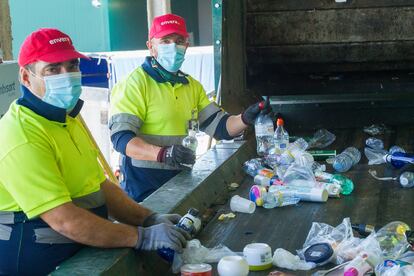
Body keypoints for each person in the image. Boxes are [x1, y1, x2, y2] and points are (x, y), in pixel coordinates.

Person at [0, 28, 190, 275]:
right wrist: (140, 236)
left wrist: (149, 218)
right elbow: (65, 220)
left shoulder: (66, 119)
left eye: (72, 66)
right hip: (37, 264)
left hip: (80, 252)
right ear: (26, 77)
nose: (66, 76)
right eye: (53, 70)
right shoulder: (21, 135)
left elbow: (99, 186)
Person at [110, 13, 271, 202]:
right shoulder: (134, 84)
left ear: (186, 46)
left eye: (179, 41)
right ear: (151, 47)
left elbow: (219, 127)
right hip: (144, 187)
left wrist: (245, 118)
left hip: (180, 182)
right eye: (165, 40)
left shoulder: (191, 86)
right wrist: (163, 154)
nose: (173, 47)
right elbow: (121, 139)